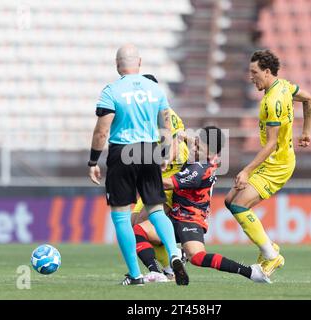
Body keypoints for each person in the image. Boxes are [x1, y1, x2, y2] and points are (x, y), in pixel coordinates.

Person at [88, 44, 189, 286]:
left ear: (117, 65)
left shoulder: (111, 90)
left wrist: (93, 160)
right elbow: (166, 123)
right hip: (149, 150)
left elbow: (102, 131)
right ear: (140, 62)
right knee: (155, 208)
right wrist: (165, 153)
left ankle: (135, 275)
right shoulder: (155, 89)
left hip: (123, 151)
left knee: (121, 216)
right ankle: (175, 254)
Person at [133, 126, 271, 284]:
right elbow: (187, 138)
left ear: (211, 153)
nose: (194, 149)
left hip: (190, 220)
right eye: (196, 144)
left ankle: (251, 272)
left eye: (199, 148)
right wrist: (181, 138)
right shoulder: (206, 155)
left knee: (197, 258)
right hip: (175, 216)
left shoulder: (199, 170)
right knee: (139, 229)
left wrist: (141, 171)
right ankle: (156, 272)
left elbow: (165, 184)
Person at [224, 49, 311, 279]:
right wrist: (306, 132)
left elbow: (272, 144)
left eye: (254, 72)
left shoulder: (271, 101)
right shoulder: (284, 86)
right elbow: (309, 99)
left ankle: (271, 254)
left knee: (238, 206)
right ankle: (268, 250)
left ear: (266, 72)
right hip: (275, 160)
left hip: (277, 164)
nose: (251, 77)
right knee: (228, 201)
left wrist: (246, 170)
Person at [131, 74, 190, 281]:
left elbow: (174, 141)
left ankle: (170, 261)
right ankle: (169, 265)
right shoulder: (148, 115)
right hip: (157, 177)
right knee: (134, 223)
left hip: (170, 178)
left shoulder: (163, 113)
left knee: (144, 226)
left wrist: (164, 159)